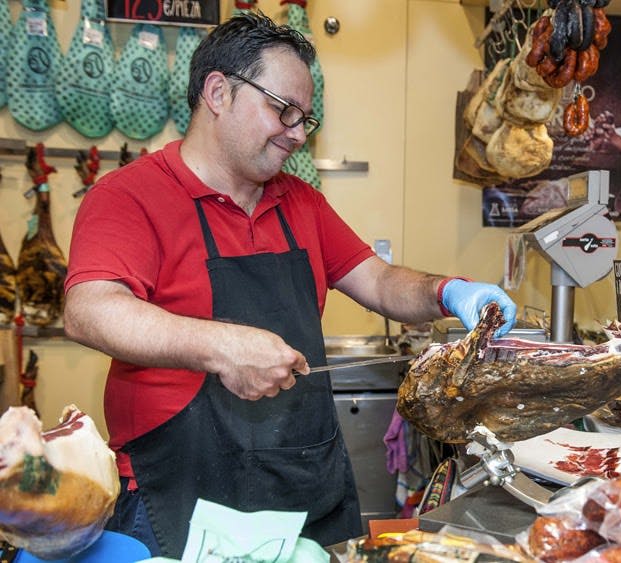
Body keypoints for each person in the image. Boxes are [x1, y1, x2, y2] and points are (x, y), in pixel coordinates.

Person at [62, 12, 517, 557]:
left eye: (306, 118)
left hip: (305, 486)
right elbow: (90, 309)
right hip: (181, 492)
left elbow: (379, 281)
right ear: (218, 92)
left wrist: (451, 292)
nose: (298, 134)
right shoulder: (129, 196)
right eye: (284, 111)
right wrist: (222, 345)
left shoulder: (300, 202)